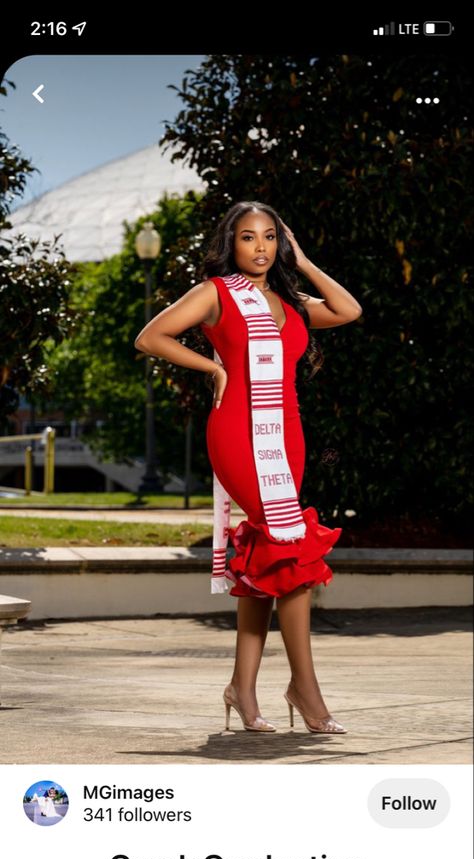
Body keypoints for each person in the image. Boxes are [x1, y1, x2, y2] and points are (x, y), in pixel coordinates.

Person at [134, 201, 362, 735]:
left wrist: (302, 260)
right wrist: (212, 367)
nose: (259, 247)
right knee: (289, 545)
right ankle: (305, 689)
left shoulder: (290, 299)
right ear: (230, 243)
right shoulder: (216, 292)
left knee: (266, 551)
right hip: (237, 431)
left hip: (288, 435)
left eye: (268, 237)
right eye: (247, 237)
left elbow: (348, 309)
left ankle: (242, 686)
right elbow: (151, 337)